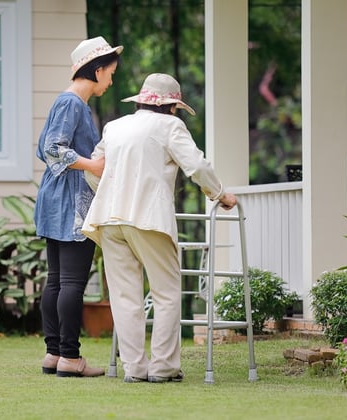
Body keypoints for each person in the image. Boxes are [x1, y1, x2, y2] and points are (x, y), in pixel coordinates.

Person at [82, 73, 238, 383]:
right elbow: (196, 165)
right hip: (148, 218)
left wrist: (112, 191)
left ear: (141, 100)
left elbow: (94, 168)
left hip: (110, 218)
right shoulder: (170, 126)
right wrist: (220, 194)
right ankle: (164, 367)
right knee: (166, 293)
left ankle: (135, 369)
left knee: (125, 297)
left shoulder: (115, 127)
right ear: (170, 106)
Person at [34, 36, 123, 377]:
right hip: (72, 201)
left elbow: (45, 150)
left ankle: (54, 354)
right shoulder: (72, 104)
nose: (111, 80)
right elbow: (52, 148)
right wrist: (92, 165)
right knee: (71, 282)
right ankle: (70, 357)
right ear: (97, 70)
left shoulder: (68, 103)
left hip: (55, 196)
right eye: (110, 73)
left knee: (56, 280)